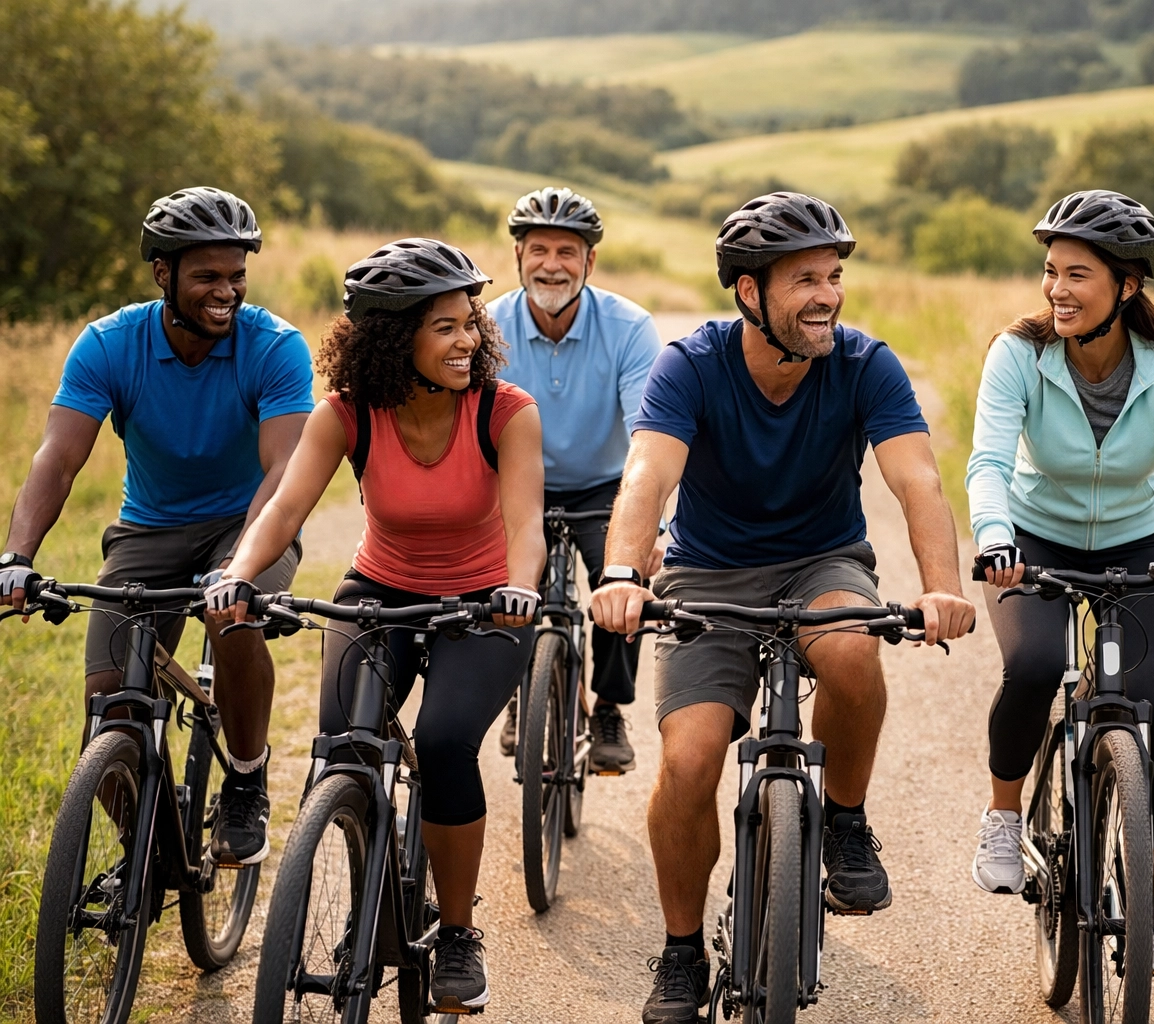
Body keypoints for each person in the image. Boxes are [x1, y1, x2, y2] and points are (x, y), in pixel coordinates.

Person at [588, 191, 976, 1023]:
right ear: (748, 293)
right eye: (805, 279)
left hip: (822, 562)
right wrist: (623, 570)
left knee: (848, 649)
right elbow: (646, 476)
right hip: (706, 572)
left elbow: (917, 481)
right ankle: (683, 949)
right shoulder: (690, 363)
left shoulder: (865, 363)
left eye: (833, 275)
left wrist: (942, 586)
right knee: (689, 761)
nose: (828, 294)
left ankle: (843, 818)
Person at [204, 238, 545, 1014]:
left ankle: (457, 932)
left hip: (484, 601)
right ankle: (374, 874)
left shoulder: (504, 410)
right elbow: (284, 507)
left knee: (447, 743)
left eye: (470, 324)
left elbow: (527, 525)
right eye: (445, 328)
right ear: (396, 341)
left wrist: (519, 591)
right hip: (380, 589)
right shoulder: (347, 412)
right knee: (344, 746)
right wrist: (236, 576)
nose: (467, 341)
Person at [967, 190, 1154, 979]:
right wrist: (994, 536)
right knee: (1033, 667)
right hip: (1030, 542)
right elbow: (989, 463)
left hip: (1138, 549)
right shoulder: (1019, 354)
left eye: (1077, 275)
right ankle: (1003, 817)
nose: (1056, 290)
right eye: (1050, 272)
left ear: (1127, 286)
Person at [0, 187, 311, 866]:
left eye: (237, 276)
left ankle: (247, 777)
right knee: (107, 706)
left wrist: (240, 569)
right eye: (207, 277)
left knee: (235, 619)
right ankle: (149, 856)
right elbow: (58, 457)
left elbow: (285, 469)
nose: (225, 291)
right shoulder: (110, 346)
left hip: (249, 522)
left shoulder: (276, 347)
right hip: (149, 529)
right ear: (162, 274)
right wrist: (17, 555)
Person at [487, 186, 664, 773]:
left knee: (624, 577)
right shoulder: (488, 326)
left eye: (568, 251)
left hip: (604, 485)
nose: (552, 265)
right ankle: (519, 690)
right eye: (539, 249)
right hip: (515, 482)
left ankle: (609, 707)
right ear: (518, 256)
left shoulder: (629, 326)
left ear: (590, 260)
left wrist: (655, 523)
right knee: (504, 587)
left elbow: (650, 431)